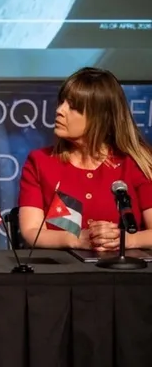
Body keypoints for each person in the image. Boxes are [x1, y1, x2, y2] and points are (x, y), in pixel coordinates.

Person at [18, 67, 152, 251]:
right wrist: (77, 239)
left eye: (73, 107)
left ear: (100, 117)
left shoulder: (135, 163)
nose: (60, 110)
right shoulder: (40, 161)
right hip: (63, 267)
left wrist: (125, 241)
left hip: (123, 267)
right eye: (62, 102)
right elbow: (31, 231)